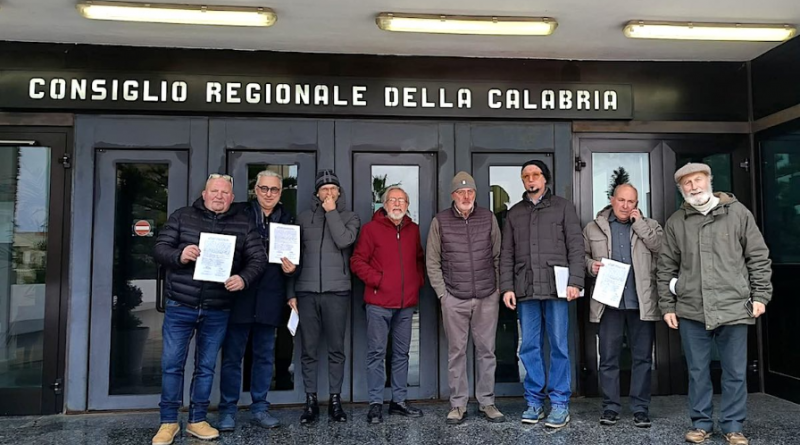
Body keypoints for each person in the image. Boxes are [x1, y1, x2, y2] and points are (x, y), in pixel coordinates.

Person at [658, 163, 772, 445]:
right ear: (681, 189)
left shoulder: (738, 213)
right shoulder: (676, 222)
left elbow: (758, 256)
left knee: (734, 372)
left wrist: (760, 295)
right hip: (691, 308)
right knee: (698, 372)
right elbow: (665, 268)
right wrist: (667, 305)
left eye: (698, 180)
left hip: (734, 307)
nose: (694, 187)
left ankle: (733, 426)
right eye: (687, 183)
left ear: (710, 181)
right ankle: (701, 424)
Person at [151, 173, 266, 445]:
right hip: (181, 304)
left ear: (232, 197)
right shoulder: (182, 216)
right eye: (214, 191)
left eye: (225, 193)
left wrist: (244, 278)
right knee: (171, 365)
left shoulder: (243, 223)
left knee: (205, 367)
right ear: (204, 194)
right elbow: (159, 249)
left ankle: (197, 420)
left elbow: (258, 259)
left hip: (218, 307)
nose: (219, 196)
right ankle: (168, 422)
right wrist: (179, 255)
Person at [499, 160, 584, 428]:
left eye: (535, 174)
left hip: (558, 288)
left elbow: (576, 246)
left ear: (545, 179)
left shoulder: (563, 207)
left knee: (559, 344)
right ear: (523, 181)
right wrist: (507, 287)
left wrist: (576, 281)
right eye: (526, 176)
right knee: (529, 346)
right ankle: (534, 401)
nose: (531, 179)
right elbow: (507, 255)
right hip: (526, 289)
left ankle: (559, 403)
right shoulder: (514, 213)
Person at [218, 170, 297, 431]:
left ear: (280, 192)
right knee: (233, 357)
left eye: (274, 189)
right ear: (255, 189)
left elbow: (297, 258)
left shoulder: (288, 219)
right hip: (239, 295)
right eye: (264, 189)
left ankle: (260, 408)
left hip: (271, 297)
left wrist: (292, 271)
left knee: (264, 356)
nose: (268, 194)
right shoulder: (238, 213)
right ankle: (228, 410)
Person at [426, 171, 505, 425]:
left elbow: (498, 256)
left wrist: (496, 290)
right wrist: (443, 295)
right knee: (456, 352)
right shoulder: (440, 221)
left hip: (486, 296)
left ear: (475, 194)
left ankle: (487, 402)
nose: (466, 196)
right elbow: (432, 262)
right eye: (461, 192)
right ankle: (458, 404)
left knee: (487, 352)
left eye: (470, 191)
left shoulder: (488, 218)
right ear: (453, 195)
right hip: (454, 298)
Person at [583, 183, 663, 428]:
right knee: (608, 358)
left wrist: (639, 225)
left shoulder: (650, 226)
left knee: (642, 358)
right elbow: (581, 256)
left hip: (641, 302)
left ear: (637, 205)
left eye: (632, 202)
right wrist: (590, 266)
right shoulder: (593, 227)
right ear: (612, 200)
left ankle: (640, 408)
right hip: (609, 303)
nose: (626, 206)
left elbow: (661, 249)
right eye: (622, 200)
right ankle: (610, 408)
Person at [350, 186, 425, 424]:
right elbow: (357, 261)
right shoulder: (371, 230)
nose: (397, 204)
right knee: (377, 353)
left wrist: (416, 282)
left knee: (401, 354)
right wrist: (378, 280)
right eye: (392, 200)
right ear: (383, 204)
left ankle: (398, 401)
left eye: (402, 200)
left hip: (405, 304)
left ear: (407, 205)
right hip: (378, 303)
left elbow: (419, 260)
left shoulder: (413, 230)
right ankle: (375, 403)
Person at [294, 169, 361, 424]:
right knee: (309, 350)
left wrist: (332, 212)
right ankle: (310, 400)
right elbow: (293, 258)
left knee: (336, 349)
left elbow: (344, 241)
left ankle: (335, 399)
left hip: (337, 291)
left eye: (333, 189)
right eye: (324, 189)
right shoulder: (303, 218)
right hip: (307, 291)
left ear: (339, 192)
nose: (329, 192)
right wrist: (292, 291)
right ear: (317, 193)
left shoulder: (349, 217)